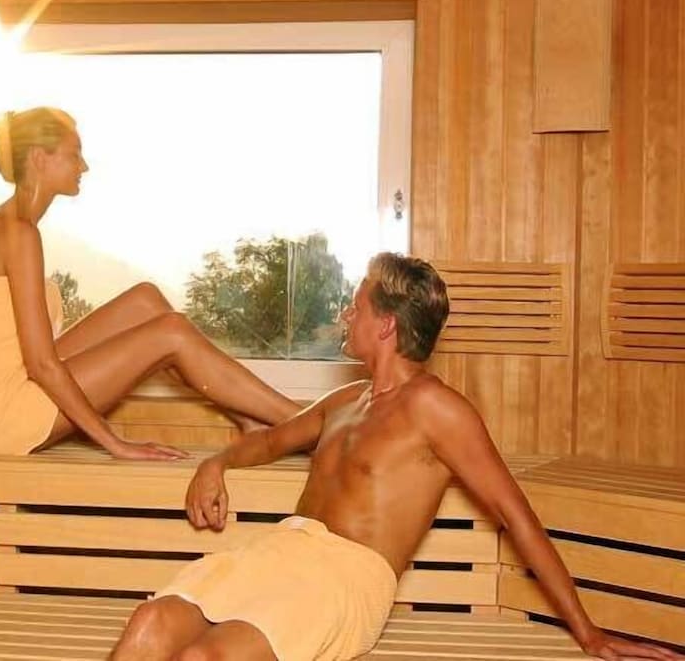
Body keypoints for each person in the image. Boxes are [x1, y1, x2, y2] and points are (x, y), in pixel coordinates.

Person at [111, 252, 684, 660]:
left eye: (355, 307)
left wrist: (587, 632)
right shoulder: (344, 402)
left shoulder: (437, 408)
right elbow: (268, 441)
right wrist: (215, 463)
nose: (345, 315)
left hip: (344, 577)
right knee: (149, 624)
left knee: (206, 658)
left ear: (385, 325)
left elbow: (516, 516)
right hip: (282, 549)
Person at [0, 107, 301, 460]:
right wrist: (116, 444)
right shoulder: (19, 234)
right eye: (74, 154)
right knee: (172, 332)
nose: (84, 166)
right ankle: (305, 424)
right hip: (3, 419)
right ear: (38, 158)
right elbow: (41, 364)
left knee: (146, 300)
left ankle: (250, 421)